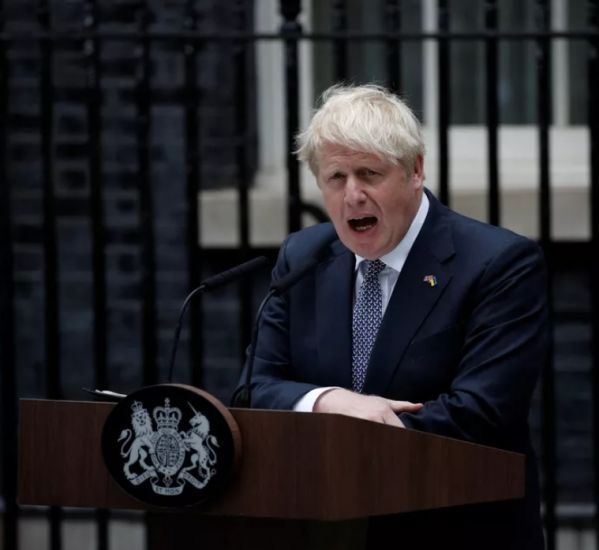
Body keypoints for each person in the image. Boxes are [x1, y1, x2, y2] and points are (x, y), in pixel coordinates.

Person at [236, 84, 548, 549]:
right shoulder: (303, 257)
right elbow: (253, 389)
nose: (353, 195)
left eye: (369, 173)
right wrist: (331, 402)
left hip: (453, 529)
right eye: (336, 177)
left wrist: (366, 426)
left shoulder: (498, 263)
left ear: (415, 170)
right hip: (327, 530)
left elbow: (483, 412)